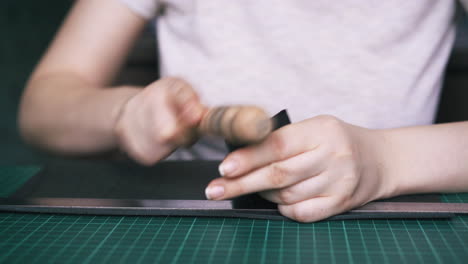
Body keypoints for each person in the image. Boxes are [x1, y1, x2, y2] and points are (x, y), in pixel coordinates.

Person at [18, 0, 468, 222]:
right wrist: (122, 114)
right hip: (200, 216)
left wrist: (386, 161)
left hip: (384, 219)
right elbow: (42, 109)